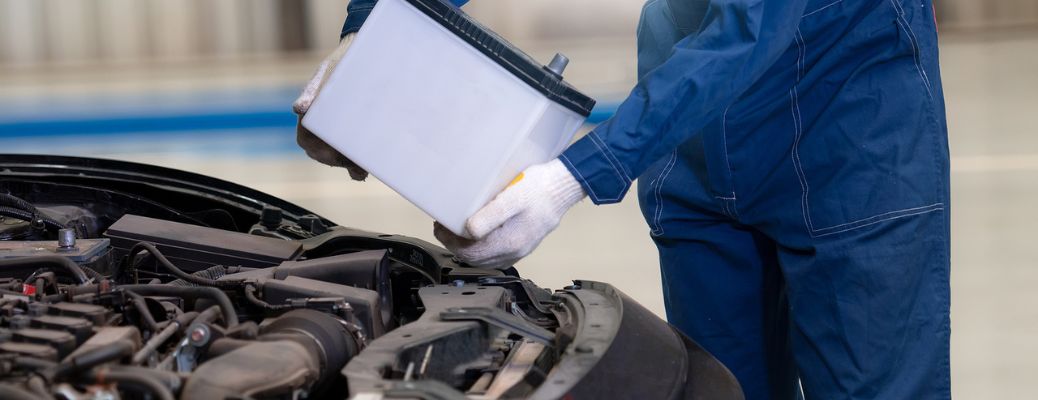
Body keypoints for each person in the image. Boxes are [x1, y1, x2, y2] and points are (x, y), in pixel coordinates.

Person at [294, 0, 950, 398]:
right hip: (694, 143)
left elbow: (752, 28)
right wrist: (375, 34)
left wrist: (571, 178)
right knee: (722, 390)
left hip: (850, 136)